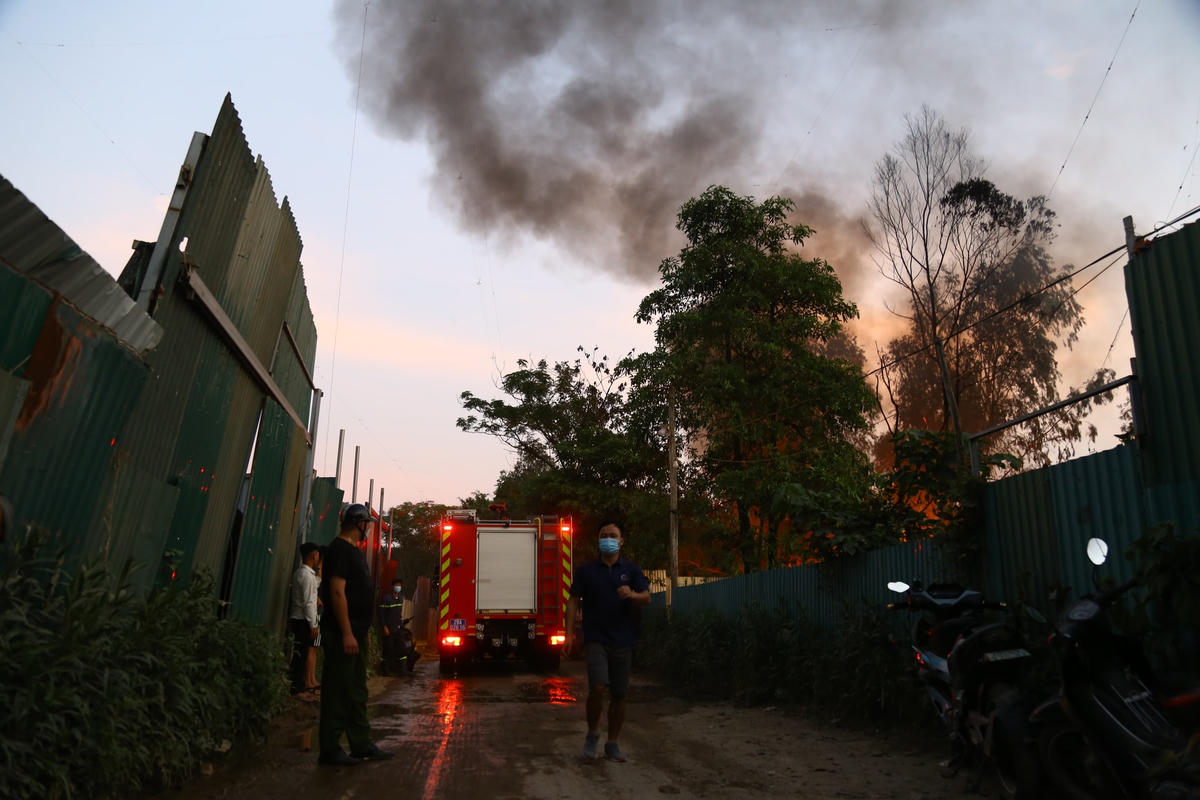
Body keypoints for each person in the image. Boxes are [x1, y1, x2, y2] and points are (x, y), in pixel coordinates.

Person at [564, 520, 651, 763]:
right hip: (595, 639)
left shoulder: (632, 570)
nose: (608, 539)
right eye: (604, 535)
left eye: (613, 535)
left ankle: (612, 743)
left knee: (619, 694)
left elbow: (647, 598)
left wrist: (632, 594)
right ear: (598, 540)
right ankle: (593, 734)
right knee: (598, 687)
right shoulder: (587, 571)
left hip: (623, 639)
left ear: (621, 541)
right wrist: (569, 633)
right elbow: (573, 600)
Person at [317, 503, 393, 767]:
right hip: (341, 634)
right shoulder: (339, 550)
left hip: (356, 633)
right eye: (367, 525)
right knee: (338, 690)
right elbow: (337, 592)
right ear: (360, 524)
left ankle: (361, 744)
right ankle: (330, 749)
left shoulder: (353, 551)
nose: (368, 529)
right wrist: (348, 632)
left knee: (357, 690)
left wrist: (362, 632)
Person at [288, 543, 322, 698]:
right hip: (303, 620)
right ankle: (297, 689)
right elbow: (309, 602)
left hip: (299, 618)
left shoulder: (300, 573)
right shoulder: (307, 576)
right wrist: (313, 625)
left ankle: (298, 685)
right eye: (317, 555)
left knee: (299, 654)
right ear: (314, 555)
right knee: (301, 655)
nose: (318, 557)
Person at [377, 577, 410, 674]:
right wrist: (384, 627)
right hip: (389, 628)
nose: (398, 587)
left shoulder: (400, 598)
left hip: (398, 628)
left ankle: (403, 670)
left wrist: (401, 623)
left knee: (402, 649)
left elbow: (398, 614)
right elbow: (381, 614)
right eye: (396, 585)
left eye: (399, 585)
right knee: (388, 649)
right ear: (392, 587)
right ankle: (386, 670)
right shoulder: (386, 598)